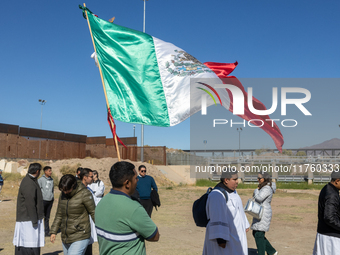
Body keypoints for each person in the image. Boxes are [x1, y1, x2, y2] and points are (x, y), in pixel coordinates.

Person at [95, 161, 159, 255]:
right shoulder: (134, 208)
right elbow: (154, 236)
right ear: (127, 183)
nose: (137, 180)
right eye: (135, 178)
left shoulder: (101, 203)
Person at [203, 169, 250, 255]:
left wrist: (245, 223)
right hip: (224, 240)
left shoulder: (233, 192)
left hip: (235, 236)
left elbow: (239, 209)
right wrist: (221, 240)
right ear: (226, 180)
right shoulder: (217, 195)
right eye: (234, 179)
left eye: (237, 179)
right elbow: (217, 217)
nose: (237, 182)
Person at [50, 174, 95, 255]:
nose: (64, 192)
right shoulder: (63, 194)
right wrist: (54, 231)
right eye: (62, 190)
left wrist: (103, 232)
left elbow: (94, 213)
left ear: (73, 186)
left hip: (80, 235)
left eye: (66, 189)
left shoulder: (84, 193)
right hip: (66, 237)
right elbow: (59, 214)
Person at [13, 163, 44, 255]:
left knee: (31, 243)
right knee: (28, 243)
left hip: (30, 218)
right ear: (37, 171)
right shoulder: (29, 182)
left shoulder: (31, 181)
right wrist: (34, 221)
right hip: (28, 219)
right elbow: (30, 203)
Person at [313, 171, 340, 255]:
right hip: (330, 238)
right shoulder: (332, 194)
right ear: (337, 181)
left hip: (324, 233)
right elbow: (329, 217)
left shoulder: (327, 188)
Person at [250, 172, 277, 255]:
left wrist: (256, 190)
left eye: (260, 178)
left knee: (259, 234)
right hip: (260, 211)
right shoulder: (264, 187)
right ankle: (272, 251)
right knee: (256, 233)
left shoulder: (267, 188)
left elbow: (259, 198)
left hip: (263, 212)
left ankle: (262, 253)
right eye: (257, 177)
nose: (258, 179)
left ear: (265, 178)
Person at [79, 168, 97, 255]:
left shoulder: (89, 190)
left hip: (89, 225)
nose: (92, 178)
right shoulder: (78, 190)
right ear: (85, 177)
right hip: (82, 226)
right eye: (91, 176)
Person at [38, 166, 54, 237]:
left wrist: (52, 197)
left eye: (51, 171)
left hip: (50, 201)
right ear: (45, 172)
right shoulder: (40, 180)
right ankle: (39, 231)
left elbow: (52, 189)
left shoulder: (52, 180)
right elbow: (38, 190)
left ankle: (47, 231)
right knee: (41, 216)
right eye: (49, 171)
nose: (50, 172)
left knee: (47, 217)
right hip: (43, 201)